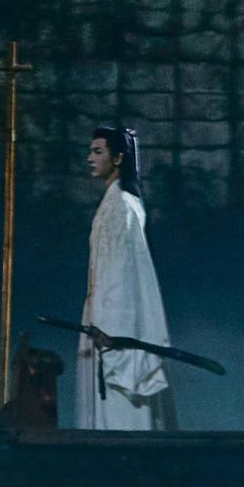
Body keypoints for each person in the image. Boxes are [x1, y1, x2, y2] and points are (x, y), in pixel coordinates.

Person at [75, 125, 177, 431]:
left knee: (121, 409)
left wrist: (111, 329)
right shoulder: (114, 203)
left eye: (98, 152)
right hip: (101, 314)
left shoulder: (122, 206)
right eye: (90, 151)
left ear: (118, 158)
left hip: (115, 322)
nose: (90, 158)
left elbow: (122, 274)